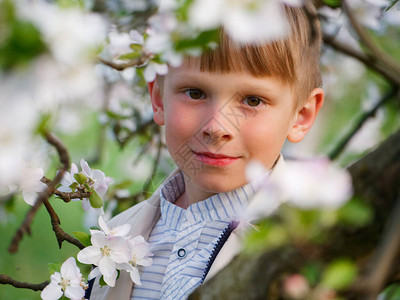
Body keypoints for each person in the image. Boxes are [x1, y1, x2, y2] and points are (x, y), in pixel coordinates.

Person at [88, 2, 324, 299]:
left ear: (301, 115)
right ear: (158, 99)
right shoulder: (114, 237)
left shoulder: (311, 250)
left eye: (252, 100)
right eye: (195, 93)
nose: (216, 127)